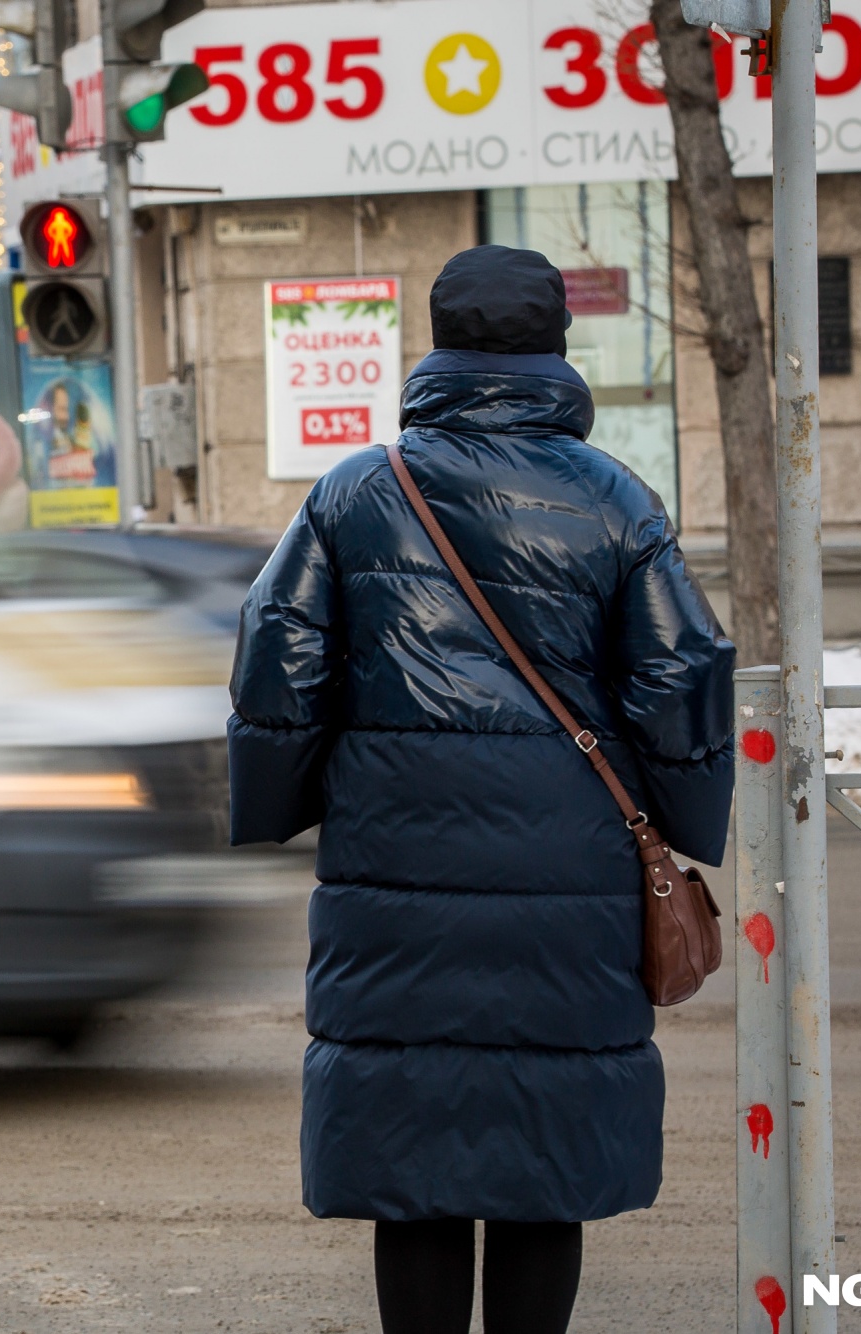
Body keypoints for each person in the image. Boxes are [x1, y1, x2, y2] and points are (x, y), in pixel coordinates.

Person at [227, 245, 735, 1334]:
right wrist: (689, 823)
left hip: (392, 865)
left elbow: (277, 658)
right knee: (541, 1149)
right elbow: (680, 672)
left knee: (409, 1144)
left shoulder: (356, 490)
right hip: (569, 865)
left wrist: (275, 799)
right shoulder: (612, 499)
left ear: (436, 344)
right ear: (558, 347)